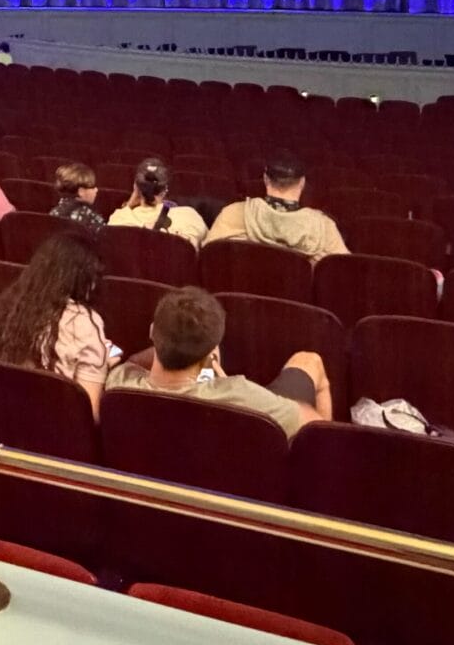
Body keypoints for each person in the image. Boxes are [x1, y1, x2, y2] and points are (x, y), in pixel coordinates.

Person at [103, 287, 331, 438]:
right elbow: (316, 430)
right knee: (310, 361)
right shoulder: (242, 396)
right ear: (209, 355)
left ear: (152, 332)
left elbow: (134, 363)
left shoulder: (117, 383)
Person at [0, 232, 115, 411]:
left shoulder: (2, 309)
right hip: (53, 430)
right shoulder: (84, 322)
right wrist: (102, 366)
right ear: (86, 279)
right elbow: (89, 413)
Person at [206, 151, 348, 261]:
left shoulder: (233, 214)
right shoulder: (325, 229)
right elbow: (342, 273)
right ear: (302, 182)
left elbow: (208, 256)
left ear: (266, 179)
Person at [106, 157, 208, 245]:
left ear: (136, 187)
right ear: (164, 190)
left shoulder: (118, 220)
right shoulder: (189, 216)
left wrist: (129, 204)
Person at [49, 162, 106, 229]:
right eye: (92, 187)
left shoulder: (54, 212)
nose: (96, 190)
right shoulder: (90, 217)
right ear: (81, 192)